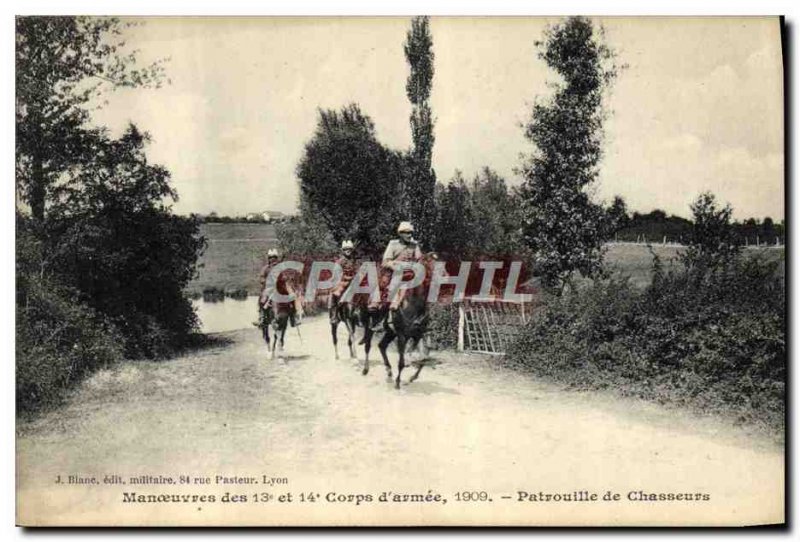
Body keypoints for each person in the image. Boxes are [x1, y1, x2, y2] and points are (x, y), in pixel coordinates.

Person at [380, 221, 423, 312]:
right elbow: (385, 261)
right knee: (395, 282)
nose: (409, 235)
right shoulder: (393, 244)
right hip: (395, 271)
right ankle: (393, 303)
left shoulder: (414, 245)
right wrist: (395, 266)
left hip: (411, 272)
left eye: (411, 233)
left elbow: (419, 259)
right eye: (407, 233)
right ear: (400, 234)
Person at [328, 240, 358, 319]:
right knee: (336, 294)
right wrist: (347, 278)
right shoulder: (339, 262)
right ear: (343, 251)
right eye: (345, 249)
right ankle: (334, 316)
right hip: (342, 282)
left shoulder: (354, 261)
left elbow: (357, 271)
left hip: (354, 282)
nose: (348, 251)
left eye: (349, 249)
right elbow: (337, 275)